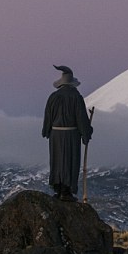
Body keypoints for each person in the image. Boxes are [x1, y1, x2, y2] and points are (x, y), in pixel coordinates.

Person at [42, 65, 94, 201]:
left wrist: (47, 130)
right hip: (71, 135)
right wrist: (86, 132)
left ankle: (58, 189)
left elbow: (48, 116)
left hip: (55, 135)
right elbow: (81, 118)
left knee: (57, 160)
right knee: (70, 160)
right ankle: (66, 191)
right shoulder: (76, 97)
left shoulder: (53, 97)